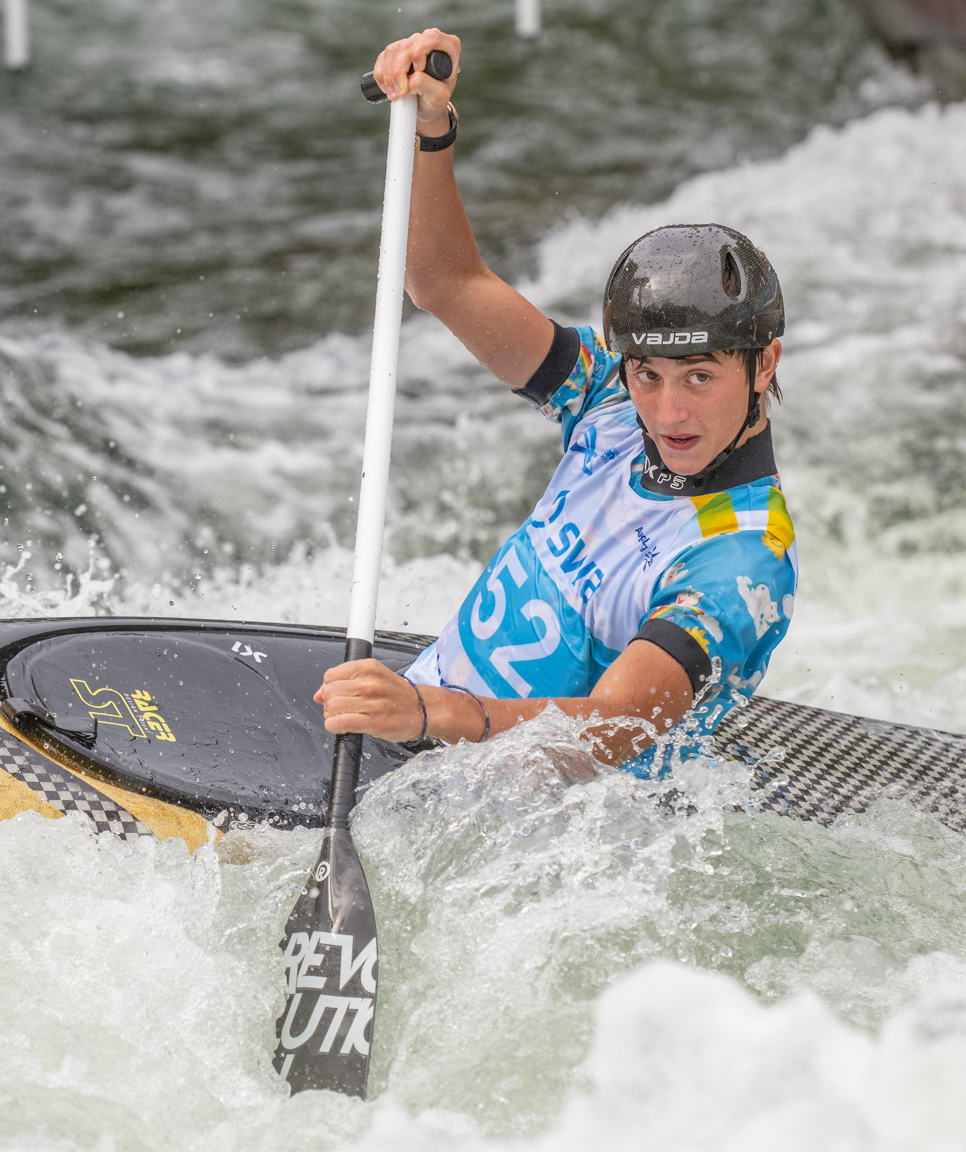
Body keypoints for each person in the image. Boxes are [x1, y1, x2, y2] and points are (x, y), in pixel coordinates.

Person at [314, 29, 797, 778]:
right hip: (420, 745)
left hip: (527, 835)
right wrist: (432, 128)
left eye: (700, 378)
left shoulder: (739, 559)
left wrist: (429, 714)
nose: (667, 413)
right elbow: (448, 285)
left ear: (763, 364)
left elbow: (610, 731)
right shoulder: (605, 401)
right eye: (648, 374)